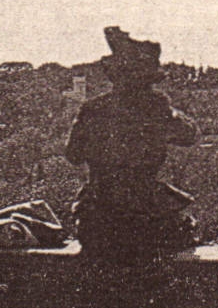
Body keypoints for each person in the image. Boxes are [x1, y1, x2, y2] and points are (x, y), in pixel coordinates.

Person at [65, 27, 198, 263]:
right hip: (144, 218)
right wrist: (168, 112)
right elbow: (189, 135)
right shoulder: (156, 107)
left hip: (97, 220)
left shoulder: (92, 109)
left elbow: (72, 154)